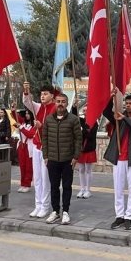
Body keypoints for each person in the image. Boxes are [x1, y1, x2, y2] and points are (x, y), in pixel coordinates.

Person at [103, 92, 131, 230]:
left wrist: (125, 119)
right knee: (118, 188)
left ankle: (129, 216)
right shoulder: (118, 118)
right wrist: (111, 97)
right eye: (126, 104)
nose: (128, 106)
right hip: (119, 157)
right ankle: (119, 216)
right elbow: (105, 111)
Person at [40, 92, 82, 225]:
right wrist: (45, 155)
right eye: (58, 101)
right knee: (53, 186)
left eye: (63, 102)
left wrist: (76, 157)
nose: (60, 104)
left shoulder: (73, 119)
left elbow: (78, 139)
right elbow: (44, 138)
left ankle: (66, 212)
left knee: (67, 186)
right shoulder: (48, 119)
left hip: (67, 159)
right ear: (55, 102)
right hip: (52, 159)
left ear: (67, 103)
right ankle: (55, 211)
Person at [23, 82, 57, 218]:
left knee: (45, 178)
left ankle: (45, 206)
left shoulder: (55, 108)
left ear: (52, 96)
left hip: (47, 147)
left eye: (46, 94)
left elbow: (55, 127)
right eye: (41, 94)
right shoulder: (38, 108)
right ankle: (37, 205)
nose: (42, 96)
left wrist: (42, 126)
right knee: (37, 178)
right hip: (37, 146)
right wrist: (26, 91)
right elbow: (27, 102)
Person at [75, 105, 98, 199]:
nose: (84, 112)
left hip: (89, 148)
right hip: (81, 149)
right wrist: (74, 106)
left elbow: (90, 135)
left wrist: (82, 131)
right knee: (81, 169)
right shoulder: (81, 121)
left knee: (88, 170)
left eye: (86, 111)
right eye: (83, 110)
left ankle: (88, 190)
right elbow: (74, 115)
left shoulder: (94, 123)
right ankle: (82, 189)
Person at [14, 109, 34, 193]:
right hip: (21, 146)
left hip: (29, 147)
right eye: (25, 113)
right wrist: (13, 110)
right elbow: (16, 117)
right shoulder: (23, 123)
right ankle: (22, 184)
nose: (26, 115)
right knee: (22, 166)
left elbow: (29, 134)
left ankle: (27, 184)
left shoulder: (34, 125)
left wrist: (21, 127)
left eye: (28, 114)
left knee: (28, 167)